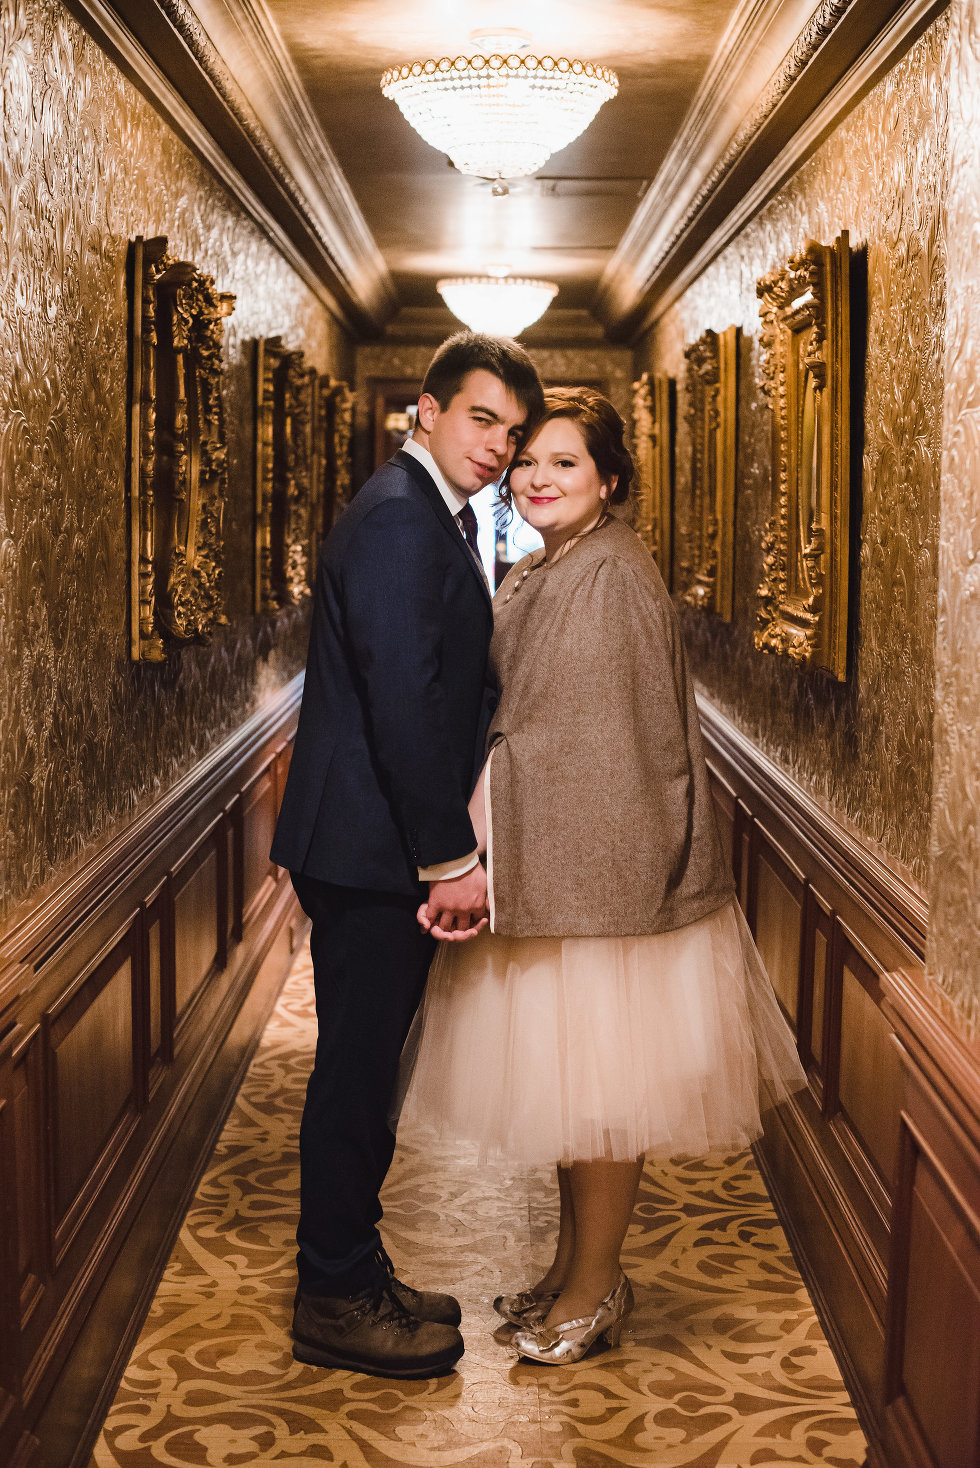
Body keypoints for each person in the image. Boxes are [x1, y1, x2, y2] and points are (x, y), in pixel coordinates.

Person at [402, 387, 806, 1365]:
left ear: (607, 480)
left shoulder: (613, 574)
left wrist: (479, 827)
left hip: (605, 892)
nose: (535, 477)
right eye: (527, 461)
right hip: (562, 877)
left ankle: (592, 1288)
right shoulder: (555, 562)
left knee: (599, 1103)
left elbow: (596, 738)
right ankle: (573, 1267)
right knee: (565, 1097)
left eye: (563, 463)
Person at [271, 332, 544, 1379]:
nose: (496, 445)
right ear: (423, 410)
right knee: (352, 1074)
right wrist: (448, 856)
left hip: (371, 838)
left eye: (512, 432)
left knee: (366, 1070)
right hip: (373, 845)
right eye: (481, 418)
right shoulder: (396, 517)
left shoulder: (428, 509)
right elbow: (403, 698)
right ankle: (332, 1294)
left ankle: (352, 1262)